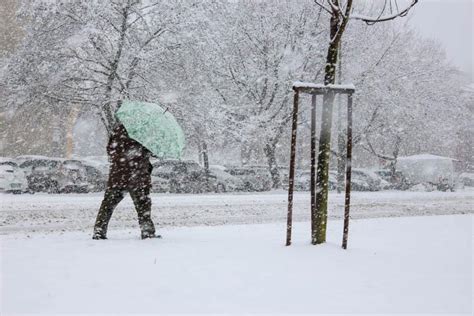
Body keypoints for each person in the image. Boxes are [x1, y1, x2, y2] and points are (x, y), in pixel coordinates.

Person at [92, 123, 157, 240]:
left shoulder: (117, 131)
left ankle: (99, 230)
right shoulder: (143, 134)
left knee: (107, 204)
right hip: (137, 178)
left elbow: (110, 150)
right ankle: (147, 231)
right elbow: (145, 152)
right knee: (143, 206)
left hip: (117, 177)